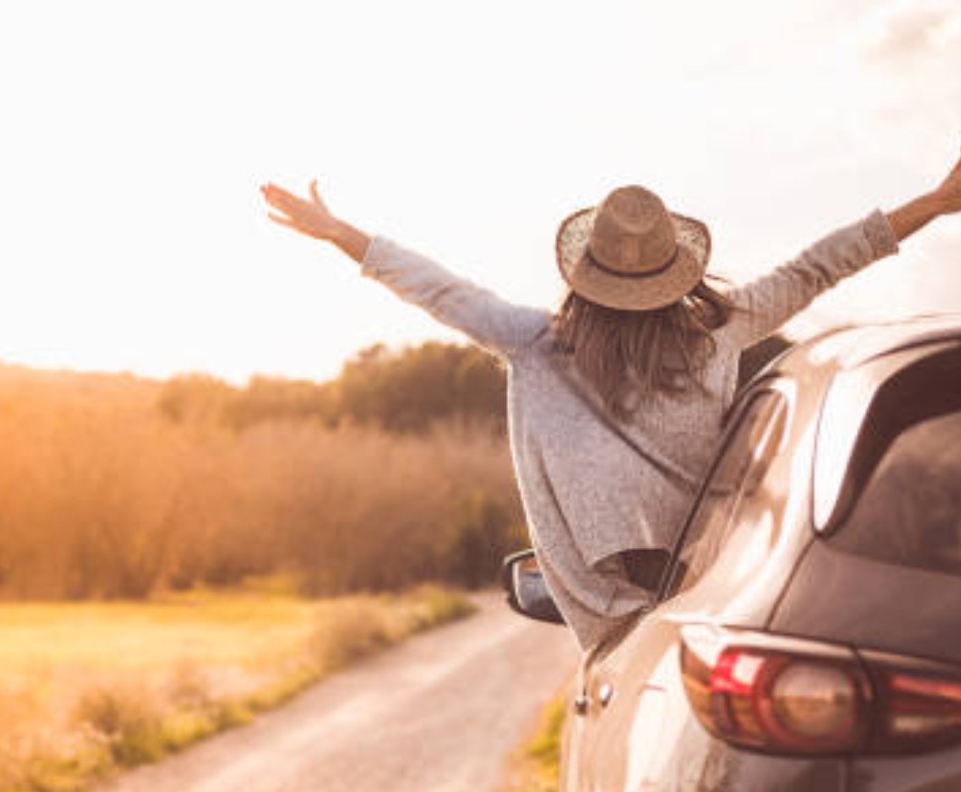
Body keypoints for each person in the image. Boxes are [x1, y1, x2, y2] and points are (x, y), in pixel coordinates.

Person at [261, 153, 961, 651]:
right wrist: (929, 203)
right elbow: (820, 264)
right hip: (719, 596)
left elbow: (440, 289)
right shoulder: (719, 331)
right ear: (675, 272)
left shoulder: (537, 341)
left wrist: (342, 235)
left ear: (587, 273)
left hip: (622, 625)